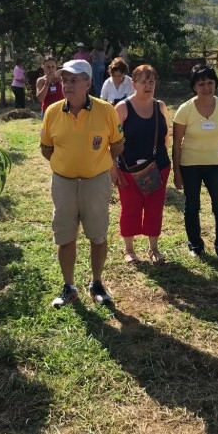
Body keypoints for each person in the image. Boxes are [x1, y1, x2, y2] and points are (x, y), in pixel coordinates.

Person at [40, 59, 125, 308]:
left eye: (74, 80)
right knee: (65, 236)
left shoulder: (106, 110)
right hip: (63, 182)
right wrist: (67, 164)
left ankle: (97, 283)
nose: (67, 85)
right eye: (64, 80)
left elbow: (118, 144)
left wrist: (97, 163)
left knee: (97, 235)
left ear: (88, 82)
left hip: (96, 182)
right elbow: (46, 148)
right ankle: (69, 286)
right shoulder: (52, 112)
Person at [172, 64, 218, 262]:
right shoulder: (184, 110)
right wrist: (177, 172)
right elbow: (176, 144)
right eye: (201, 84)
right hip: (190, 165)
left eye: (210, 82)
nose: (206, 87)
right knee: (192, 206)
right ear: (194, 87)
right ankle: (195, 245)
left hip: (215, 164)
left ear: (215, 84)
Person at [113, 64, 171, 264]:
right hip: (129, 169)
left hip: (158, 167)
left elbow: (166, 138)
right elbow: (111, 140)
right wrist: (113, 168)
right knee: (130, 208)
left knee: (155, 208)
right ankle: (129, 250)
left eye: (152, 81)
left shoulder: (160, 106)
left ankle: (154, 249)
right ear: (133, 83)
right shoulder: (122, 108)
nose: (148, 85)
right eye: (143, 81)